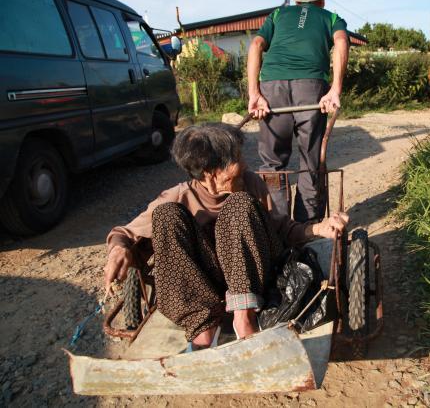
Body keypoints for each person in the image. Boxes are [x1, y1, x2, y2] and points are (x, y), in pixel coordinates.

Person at [103, 123, 348, 348]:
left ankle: (244, 318)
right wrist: (119, 248)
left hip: (257, 274)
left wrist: (318, 228)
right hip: (208, 283)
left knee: (240, 204)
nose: (245, 165)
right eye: (237, 159)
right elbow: (123, 233)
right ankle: (203, 328)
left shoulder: (249, 184)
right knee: (166, 216)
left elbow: (282, 228)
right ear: (211, 172)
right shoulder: (179, 196)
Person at [247, 0, 350, 223]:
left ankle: (279, 228)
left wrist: (254, 94)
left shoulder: (278, 14)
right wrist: (335, 89)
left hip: (272, 89)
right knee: (310, 159)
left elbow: (256, 45)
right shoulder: (331, 17)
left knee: (272, 164)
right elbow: (341, 43)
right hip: (311, 88)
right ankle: (307, 229)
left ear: (297, 0)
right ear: (321, 0)